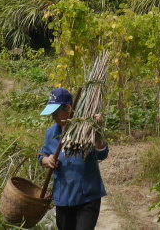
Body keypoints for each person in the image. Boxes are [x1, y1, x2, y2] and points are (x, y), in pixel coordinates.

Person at [38, 87, 108, 230]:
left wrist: (98, 131)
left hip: (87, 197)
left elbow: (102, 154)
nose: (53, 116)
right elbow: (41, 156)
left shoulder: (86, 128)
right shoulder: (51, 133)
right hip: (63, 196)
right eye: (52, 113)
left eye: (56, 112)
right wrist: (47, 160)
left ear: (69, 108)